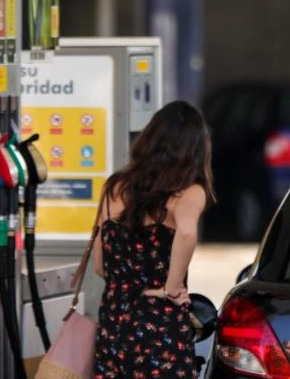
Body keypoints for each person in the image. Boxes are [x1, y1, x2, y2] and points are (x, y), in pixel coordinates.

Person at [92, 100, 216, 379]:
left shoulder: (114, 187)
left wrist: (126, 288)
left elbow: (100, 266)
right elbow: (186, 232)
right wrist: (171, 288)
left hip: (114, 323)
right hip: (160, 325)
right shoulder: (187, 192)